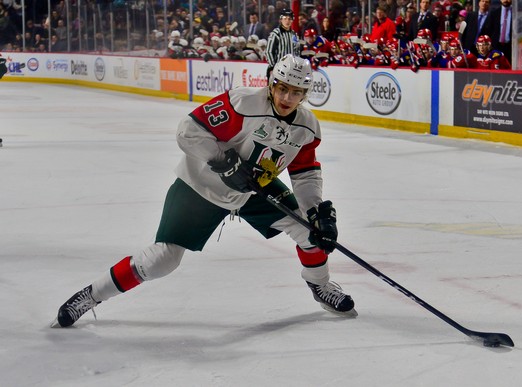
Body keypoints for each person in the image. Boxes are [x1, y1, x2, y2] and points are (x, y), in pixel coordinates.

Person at [51, 54, 356, 329]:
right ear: (271, 82)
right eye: (282, 88)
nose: (287, 97)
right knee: (162, 260)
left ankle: (320, 285)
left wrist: (316, 211)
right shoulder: (243, 103)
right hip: (201, 187)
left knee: (310, 230)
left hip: (253, 190)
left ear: (305, 95)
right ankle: (90, 295)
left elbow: (304, 173)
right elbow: (188, 131)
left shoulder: (307, 127)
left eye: (296, 92)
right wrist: (224, 161)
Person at [266, 8, 299, 77]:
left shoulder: (294, 34)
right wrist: (273, 67)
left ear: (292, 20)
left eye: (289, 19)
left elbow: (296, 51)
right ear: (281, 20)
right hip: (278, 69)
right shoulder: (275, 33)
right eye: (285, 18)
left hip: (291, 70)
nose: (287, 21)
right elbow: (269, 52)